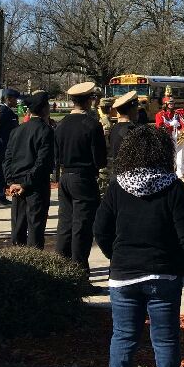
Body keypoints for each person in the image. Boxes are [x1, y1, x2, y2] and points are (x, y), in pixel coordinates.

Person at [93, 125, 184, 367]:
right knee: (165, 338)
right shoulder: (173, 186)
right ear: (163, 153)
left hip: (124, 274)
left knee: (123, 336)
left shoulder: (116, 187)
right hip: (163, 274)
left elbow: (100, 229)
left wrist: (116, 256)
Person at [55, 81, 108, 271]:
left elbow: (56, 154)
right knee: (82, 227)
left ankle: (60, 267)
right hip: (83, 177)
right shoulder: (91, 125)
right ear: (89, 101)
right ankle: (79, 271)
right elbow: (100, 159)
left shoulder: (61, 125)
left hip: (65, 176)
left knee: (65, 224)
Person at [3, 90, 54, 249]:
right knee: (35, 230)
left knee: (18, 228)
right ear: (44, 108)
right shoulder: (45, 131)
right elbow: (42, 162)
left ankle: (18, 263)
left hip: (17, 186)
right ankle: (34, 264)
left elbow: (7, 159)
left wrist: (11, 182)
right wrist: (24, 184)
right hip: (35, 187)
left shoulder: (17, 130)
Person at [0, 88, 20, 205]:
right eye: (15, 99)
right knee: (0, 170)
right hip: (2, 145)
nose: (16, 102)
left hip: (8, 145)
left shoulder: (9, 111)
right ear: (8, 99)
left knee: (4, 170)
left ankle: (1, 194)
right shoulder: (3, 112)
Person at [110, 91, 139, 165]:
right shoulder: (132, 129)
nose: (137, 111)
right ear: (131, 109)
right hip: (128, 171)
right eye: (136, 107)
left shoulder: (114, 128)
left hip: (117, 170)